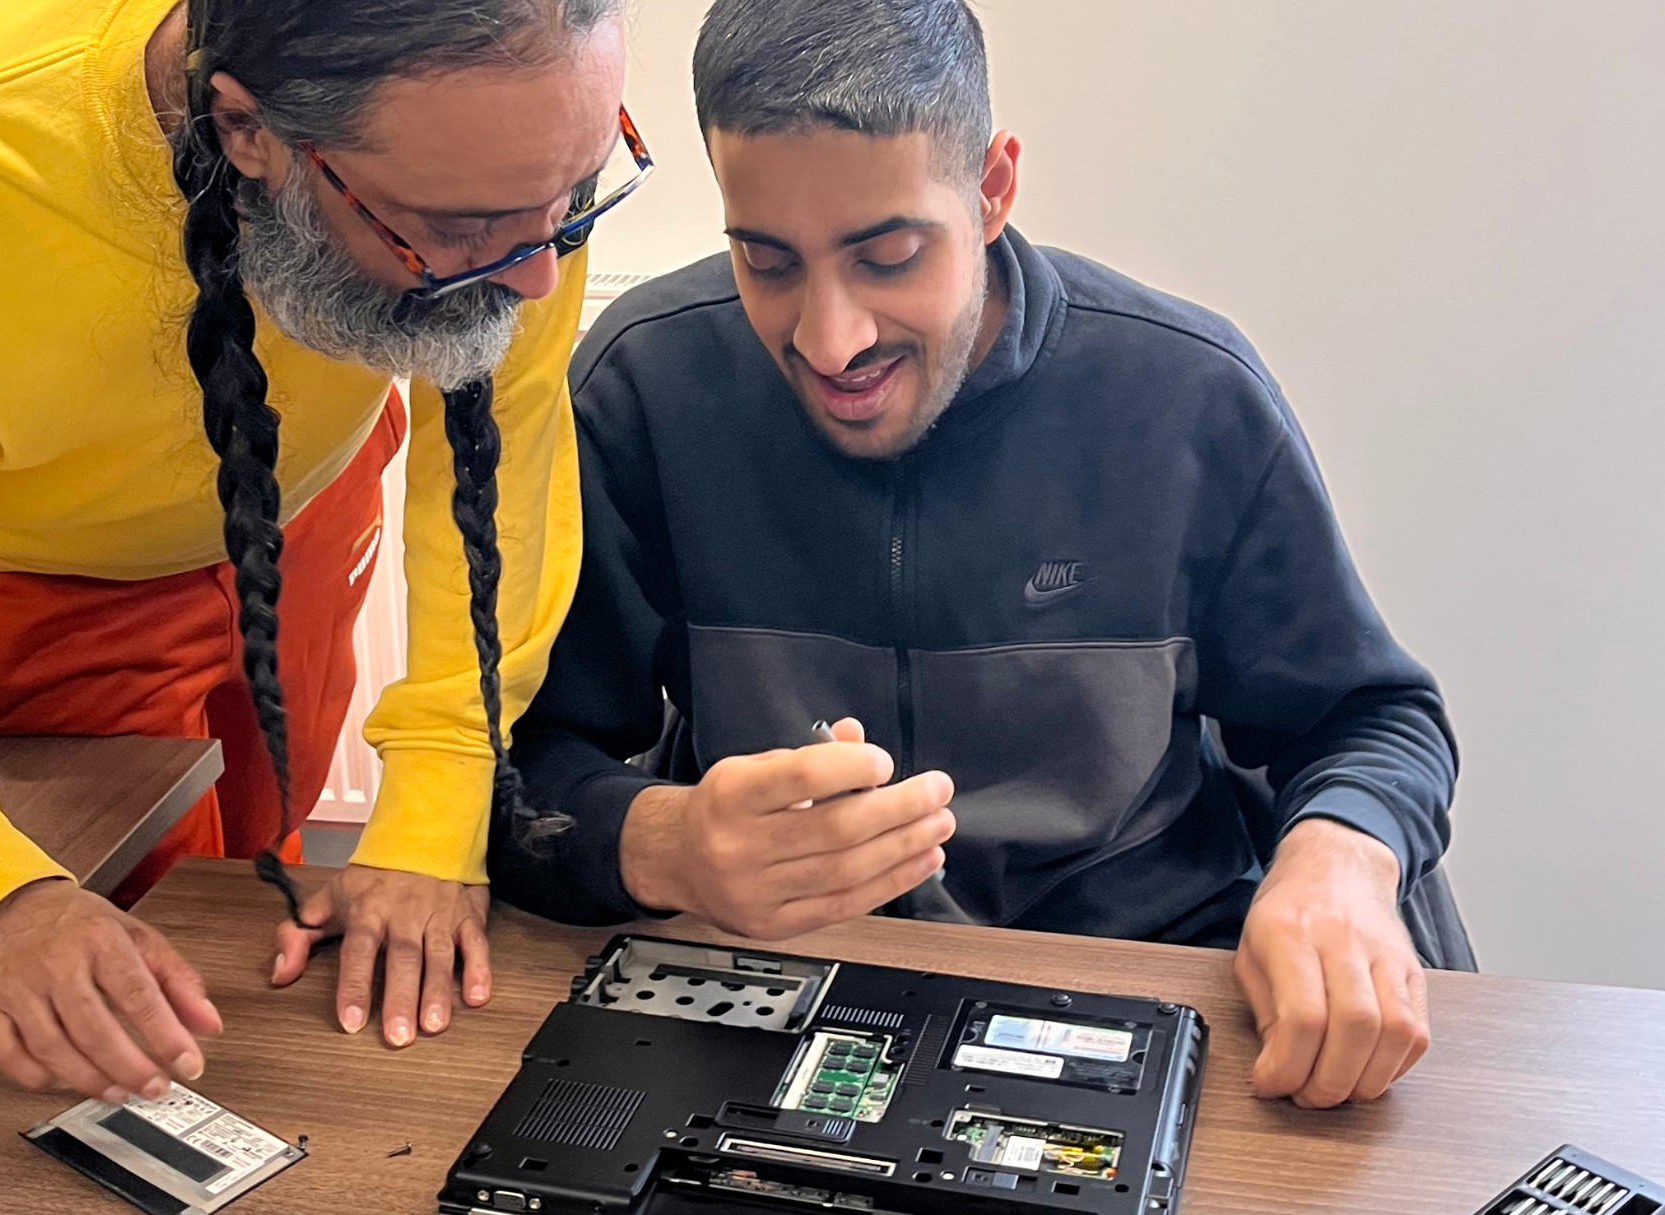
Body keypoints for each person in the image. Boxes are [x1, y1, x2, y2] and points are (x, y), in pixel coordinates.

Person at [0, 0, 637, 1105]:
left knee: (266, 874)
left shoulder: (513, 156)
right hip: (49, 586)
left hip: (311, 515)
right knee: (132, 985)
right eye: (457, 229)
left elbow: (506, 431)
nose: (541, 277)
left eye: (572, 197)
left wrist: (441, 795)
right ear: (246, 131)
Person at [496, 0, 1468, 1110]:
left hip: (1140, 992)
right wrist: (658, 845)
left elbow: (1371, 716)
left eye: (890, 255)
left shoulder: (1185, 395)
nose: (831, 340)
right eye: (766, 263)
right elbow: (523, 759)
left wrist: (1339, 860)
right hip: (779, 1006)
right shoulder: (643, 385)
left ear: (992, 190)